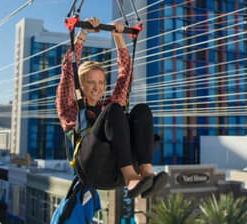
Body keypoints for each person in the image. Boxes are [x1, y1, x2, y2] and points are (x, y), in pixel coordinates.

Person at [56, 17, 167, 198]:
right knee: (114, 110)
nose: (96, 87)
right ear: (80, 85)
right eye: (90, 82)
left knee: (141, 110)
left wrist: (118, 37)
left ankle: (145, 173)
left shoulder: (107, 106)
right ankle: (131, 178)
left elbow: (125, 75)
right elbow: (69, 69)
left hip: (114, 168)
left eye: (100, 82)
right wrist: (82, 34)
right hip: (92, 167)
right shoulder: (69, 107)